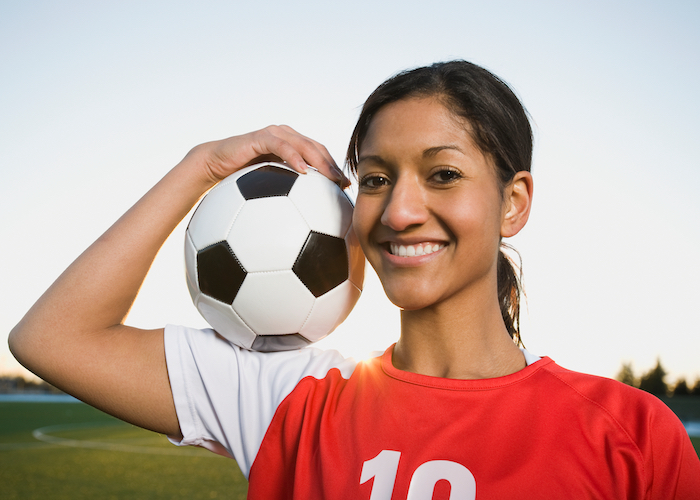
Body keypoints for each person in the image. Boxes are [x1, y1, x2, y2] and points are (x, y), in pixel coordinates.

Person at [9, 61, 700, 499]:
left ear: (513, 202)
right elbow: (51, 337)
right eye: (374, 179)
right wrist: (202, 166)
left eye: (443, 174)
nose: (400, 210)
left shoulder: (634, 438)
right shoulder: (288, 398)